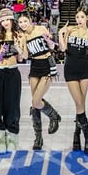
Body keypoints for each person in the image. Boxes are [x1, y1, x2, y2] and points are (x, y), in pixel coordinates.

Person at [17, 11, 61, 150]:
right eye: (20, 22)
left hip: (47, 63)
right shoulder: (23, 36)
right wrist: (18, 47)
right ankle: (38, 138)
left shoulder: (41, 28)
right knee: (34, 103)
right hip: (34, 66)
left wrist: (48, 40)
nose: (23, 24)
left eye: (25, 21)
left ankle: (53, 116)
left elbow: (52, 46)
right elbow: (25, 56)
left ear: (30, 20)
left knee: (36, 101)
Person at [58, 6, 88, 154]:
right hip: (70, 68)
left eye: (82, 17)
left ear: (87, 18)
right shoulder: (70, 30)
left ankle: (76, 135)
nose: (79, 20)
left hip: (84, 69)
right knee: (79, 102)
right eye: (77, 17)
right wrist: (61, 33)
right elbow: (62, 49)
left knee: (80, 105)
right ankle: (87, 136)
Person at [0, 7, 23, 152]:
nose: (5, 22)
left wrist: (18, 48)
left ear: (12, 20)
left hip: (13, 71)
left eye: (8, 19)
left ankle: (12, 138)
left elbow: (22, 58)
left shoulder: (19, 35)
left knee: (13, 106)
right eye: (3, 20)